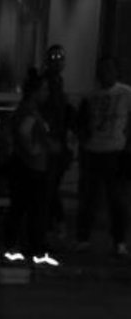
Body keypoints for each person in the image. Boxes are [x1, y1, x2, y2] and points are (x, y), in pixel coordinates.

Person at [4, 69, 60, 267]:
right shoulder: (29, 111)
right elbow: (24, 132)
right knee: (31, 207)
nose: (47, 93)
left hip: (30, 165)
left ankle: (24, 244)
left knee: (24, 206)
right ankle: (30, 245)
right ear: (35, 92)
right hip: (30, 166)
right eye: (44, 89)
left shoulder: (28, 110)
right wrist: (36, 149)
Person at [76, 56, 131, 257]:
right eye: (102, 70)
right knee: (89, 197)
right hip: (93, 150)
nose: (105, 73)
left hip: (115, 150)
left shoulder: (125, 93)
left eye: (109, 69)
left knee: (116, 199)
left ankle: (119, 241)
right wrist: (83, 141)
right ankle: (83, 238)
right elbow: (82, 122)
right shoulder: (90, 96)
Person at [41, 44, 75, 237]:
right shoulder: (47, 82)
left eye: (60, 58)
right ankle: (52, 224)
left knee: (51, 186)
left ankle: (52, 224)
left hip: (57, 140)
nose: (57, 61)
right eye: (53, 58)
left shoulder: (58, 82)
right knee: (49, 186)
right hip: (49, 141)